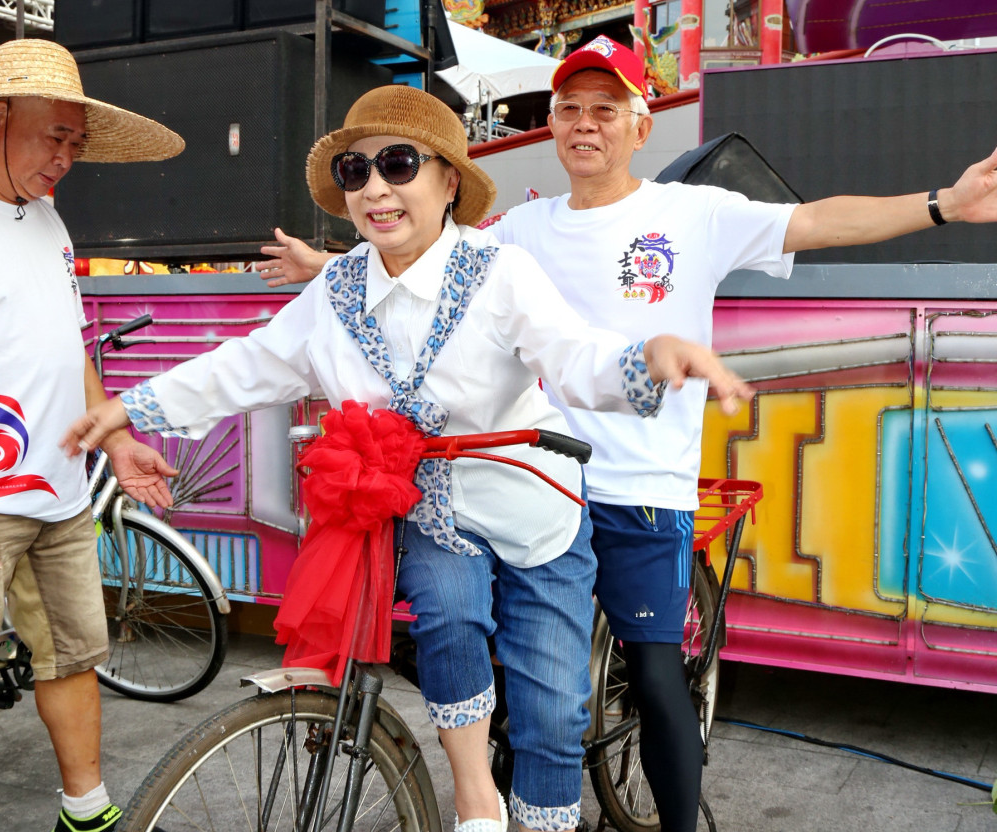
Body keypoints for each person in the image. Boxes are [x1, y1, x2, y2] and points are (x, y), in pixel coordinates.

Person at [253, 35, 997, 832]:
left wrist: (943, 205)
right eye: (568, 108)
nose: (583, 124)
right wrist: (331, 264)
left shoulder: (695, 214)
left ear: (641, 128)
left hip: (638, 488)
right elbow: (421, 247)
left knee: (651, 672)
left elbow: (816, 221)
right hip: (526, 483)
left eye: (606, 110)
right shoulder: (520, 227)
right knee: (511, 667)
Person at [61, 84, 753, 832]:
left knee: (554, 709)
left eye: (398, 164)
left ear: (448, 180)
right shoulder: (337, 289)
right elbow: (249, 363)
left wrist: (650, 356)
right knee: (449, 617)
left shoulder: (499, 272)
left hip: (536, 509)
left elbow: (576, 355)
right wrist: (131, 408)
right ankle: (473, 801)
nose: (376, 189)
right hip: (432, 507)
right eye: (356, 172)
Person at [0, 39, 184, 832]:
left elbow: (69, 348)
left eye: (76, 143)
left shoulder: (50, 219)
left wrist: (117, 439)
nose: (66, 157)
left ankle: (86, 810)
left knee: (73, 655)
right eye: (53, 136)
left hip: (59, 494)